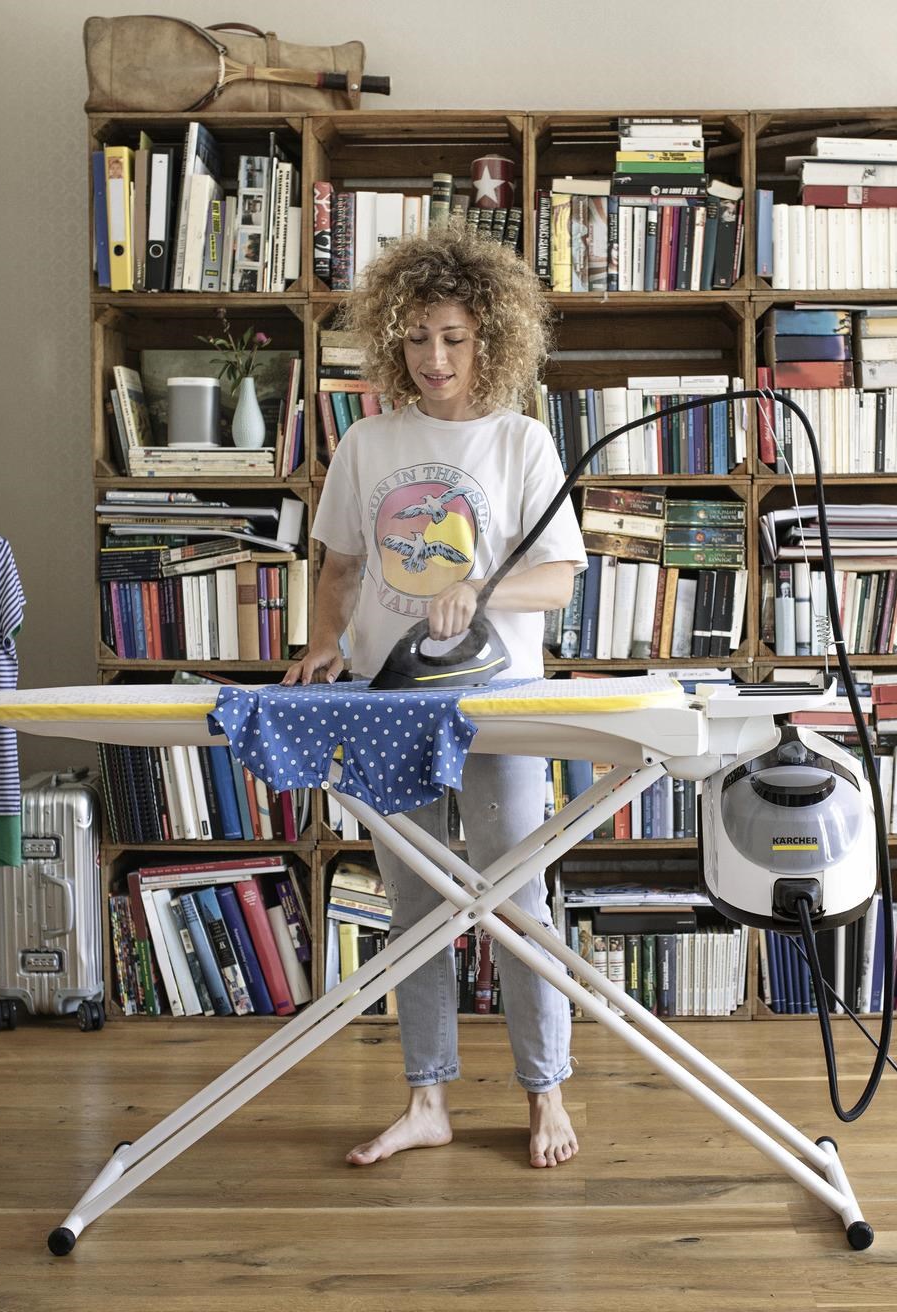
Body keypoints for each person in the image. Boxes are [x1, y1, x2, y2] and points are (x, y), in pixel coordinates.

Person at [285, 222, 587, 1169]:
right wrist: (324, 646)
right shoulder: (367, 442)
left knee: (517, 898)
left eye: (454, 337)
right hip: (390, 700)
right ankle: (427, 1100)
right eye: (416, 338)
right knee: (413, 903)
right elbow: (340, 568)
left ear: (491, 337)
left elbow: (560, 579)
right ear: (392, 340)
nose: (435, 357)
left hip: (499, 703)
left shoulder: (522, 441)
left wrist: (482, 589)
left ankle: (545, 1092)